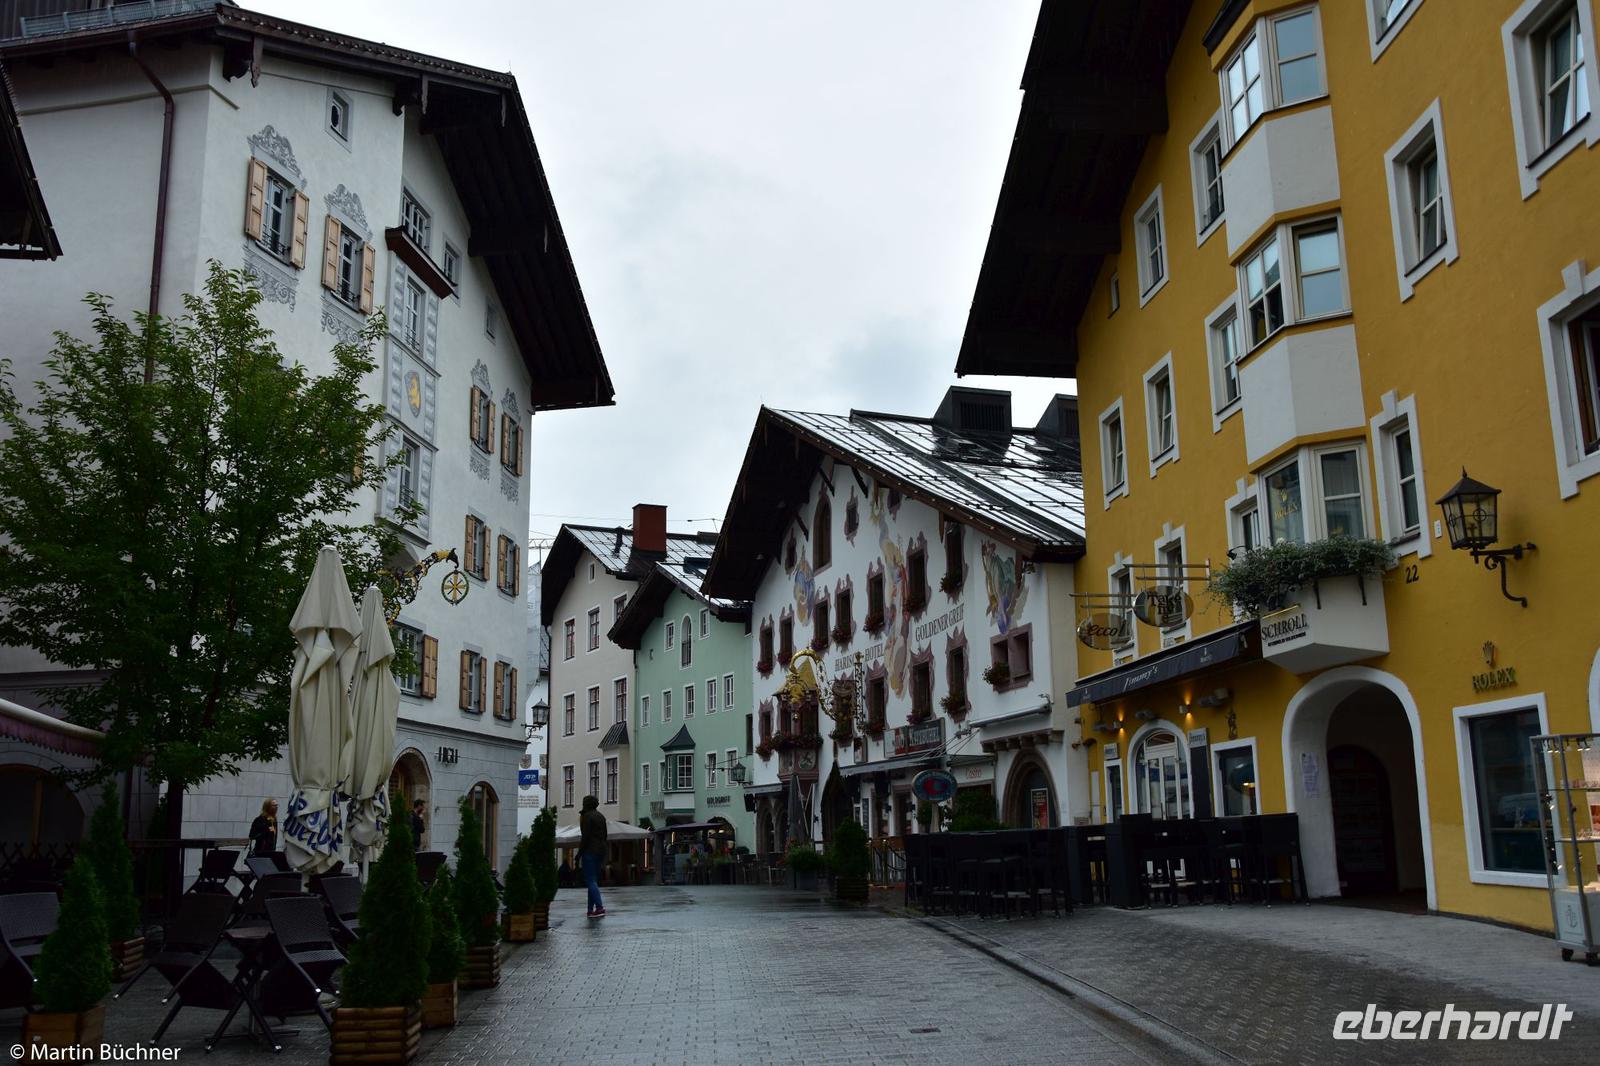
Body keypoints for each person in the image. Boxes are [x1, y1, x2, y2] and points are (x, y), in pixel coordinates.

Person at [579, 794, 607, 918]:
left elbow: (585, 837)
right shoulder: (601, 816)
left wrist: (579, 853)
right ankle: (590, 909)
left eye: (584, 803)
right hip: (600, 850)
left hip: (589, 850)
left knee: (590, 880)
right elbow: (605, 835)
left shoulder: (587, 817)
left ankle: (599, 907)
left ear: (587, 804)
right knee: (593, 881)